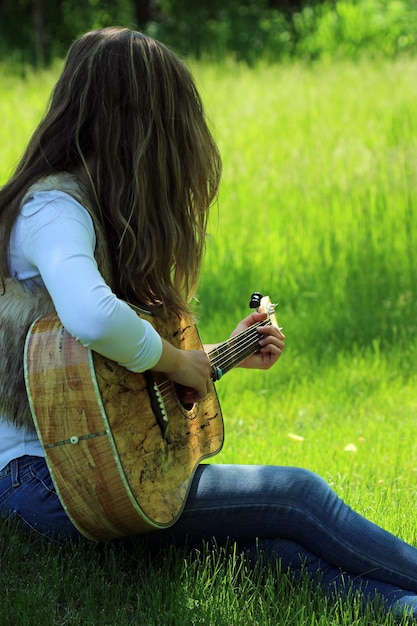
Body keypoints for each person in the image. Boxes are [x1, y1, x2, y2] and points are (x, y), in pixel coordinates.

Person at [0, 26, 416, 620]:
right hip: (46, 483)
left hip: (87, 470)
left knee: (267, 544)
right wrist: (175, 360)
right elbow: (92, 317)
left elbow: (95, 379)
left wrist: (221, 353)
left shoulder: (83, 206)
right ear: (136, 124)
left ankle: (403, 606)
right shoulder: (53, 209)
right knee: (296, 495)